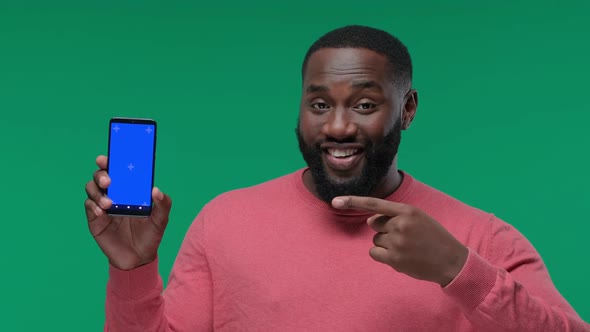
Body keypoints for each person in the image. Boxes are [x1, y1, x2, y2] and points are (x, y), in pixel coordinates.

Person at [84, 25, 589, 331]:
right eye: (320, 104)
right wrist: (133, 270)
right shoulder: (224, 222)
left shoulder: (483, 239)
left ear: (407, 108)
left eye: (365, 105)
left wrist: (458, 268)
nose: (339, 126)